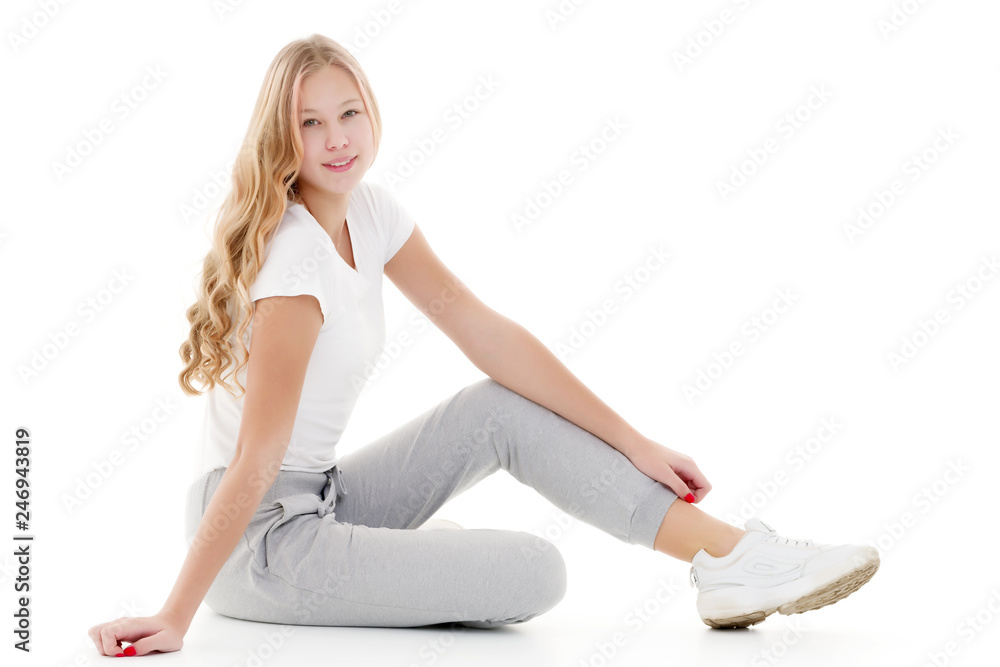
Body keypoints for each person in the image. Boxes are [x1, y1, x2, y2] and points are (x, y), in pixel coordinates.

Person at [88, 33, 879, 657]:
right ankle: (386, 570)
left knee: (495, 409)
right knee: (536, 573)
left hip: (322, 496)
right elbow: (259, 455)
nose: (336, 139)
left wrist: (634, 442)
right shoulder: (293, 267)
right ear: (282, 138)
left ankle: (729, 557)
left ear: (373, 111)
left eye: (349, 112)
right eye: (310, 122)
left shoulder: (371, 213)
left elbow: (484, 332)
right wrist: (175, 613)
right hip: (258, 540)